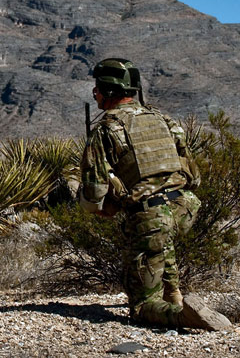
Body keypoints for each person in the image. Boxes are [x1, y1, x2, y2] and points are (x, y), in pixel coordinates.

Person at [80, 57, 232, 331]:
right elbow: (194, 178)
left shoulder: (105, 130)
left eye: (99, 88)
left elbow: (94, 193)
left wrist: (103, 206)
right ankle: (174, 295)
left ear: (109, 91)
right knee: (161, 235)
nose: (97, 93)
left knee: (140, 307)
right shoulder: (164, 119)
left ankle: (183, 317)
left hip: (150, 219)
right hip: (185, 209)